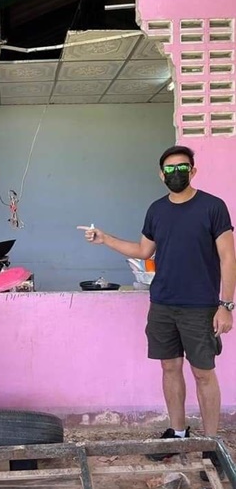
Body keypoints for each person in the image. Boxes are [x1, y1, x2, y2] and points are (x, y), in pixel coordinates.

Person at [80, 145, 235, 467]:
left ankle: (210, 444)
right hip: (163, 303)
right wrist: (105, 238)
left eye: (182, 168)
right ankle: (178, 434)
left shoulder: (213, 207)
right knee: (169, 367)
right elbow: (143, 250)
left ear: (192, 171)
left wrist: (226, 305)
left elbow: (228, 256)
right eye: (169, 169)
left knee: (203, 373)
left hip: (201, 305)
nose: (175, 174)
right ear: (160, 174)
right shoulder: (157, 210)